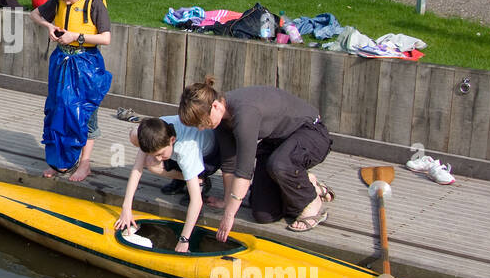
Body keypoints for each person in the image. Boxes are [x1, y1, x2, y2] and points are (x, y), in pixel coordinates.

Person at [179, 77, 333, 240]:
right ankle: (306, 183)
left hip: (311, 133)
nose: (202, 128)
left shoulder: (245, 113)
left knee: (280, 164)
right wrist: (226, 202)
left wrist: (229, 216)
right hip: (277, 142)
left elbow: (244, 172)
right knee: (264, 214)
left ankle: (311, 201)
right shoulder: (222, 120)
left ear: (215, 106)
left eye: (203, 122)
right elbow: (230, 165)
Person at [29, 0, 112, 182]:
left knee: (84, 113)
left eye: (69, 0)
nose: (66, 4)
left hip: (86, 65)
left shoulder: (94, 5)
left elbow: (105, 38)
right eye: (62, 0)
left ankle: (85, 163)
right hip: (62, 62)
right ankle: (61, 162)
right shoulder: (59, 0)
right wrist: (48, 26)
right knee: (59, 110)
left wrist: (77, 36)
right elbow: (34, 14)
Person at [114, 113, 222, 252]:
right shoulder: (151, 132)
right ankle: (184, 179)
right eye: (156, 154)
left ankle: (200, 179)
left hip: (209, 158)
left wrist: (184, 240)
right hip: (176, 150)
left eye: (160, 154)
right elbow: (137, 169)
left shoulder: (186, 151)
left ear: (172, 139)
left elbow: (197, 202)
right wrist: (126, 208)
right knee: (150, 163)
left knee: (188, 186)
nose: (159, 159)